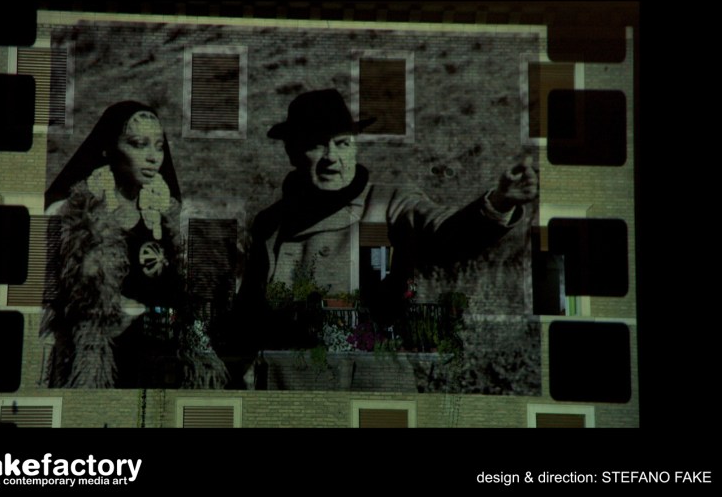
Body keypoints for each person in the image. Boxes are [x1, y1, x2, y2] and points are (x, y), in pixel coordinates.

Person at [235, 88, 538, 352]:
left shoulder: (390, 203)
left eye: (342, 143)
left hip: (369, 379)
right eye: (316, 144)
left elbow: (448, 233)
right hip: (285, 383)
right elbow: (248, 315)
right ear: (291, 151)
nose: (331, 157)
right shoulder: (270, 223)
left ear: (355, 147)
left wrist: (501, 201)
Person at [41, 101, 227, 388]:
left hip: (165, 366)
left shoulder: (173, 220)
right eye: (139, 144)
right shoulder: (71, 218)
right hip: (105, 365)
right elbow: (45, 309)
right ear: (108, 148)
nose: (153, 157)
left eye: (159, 147)